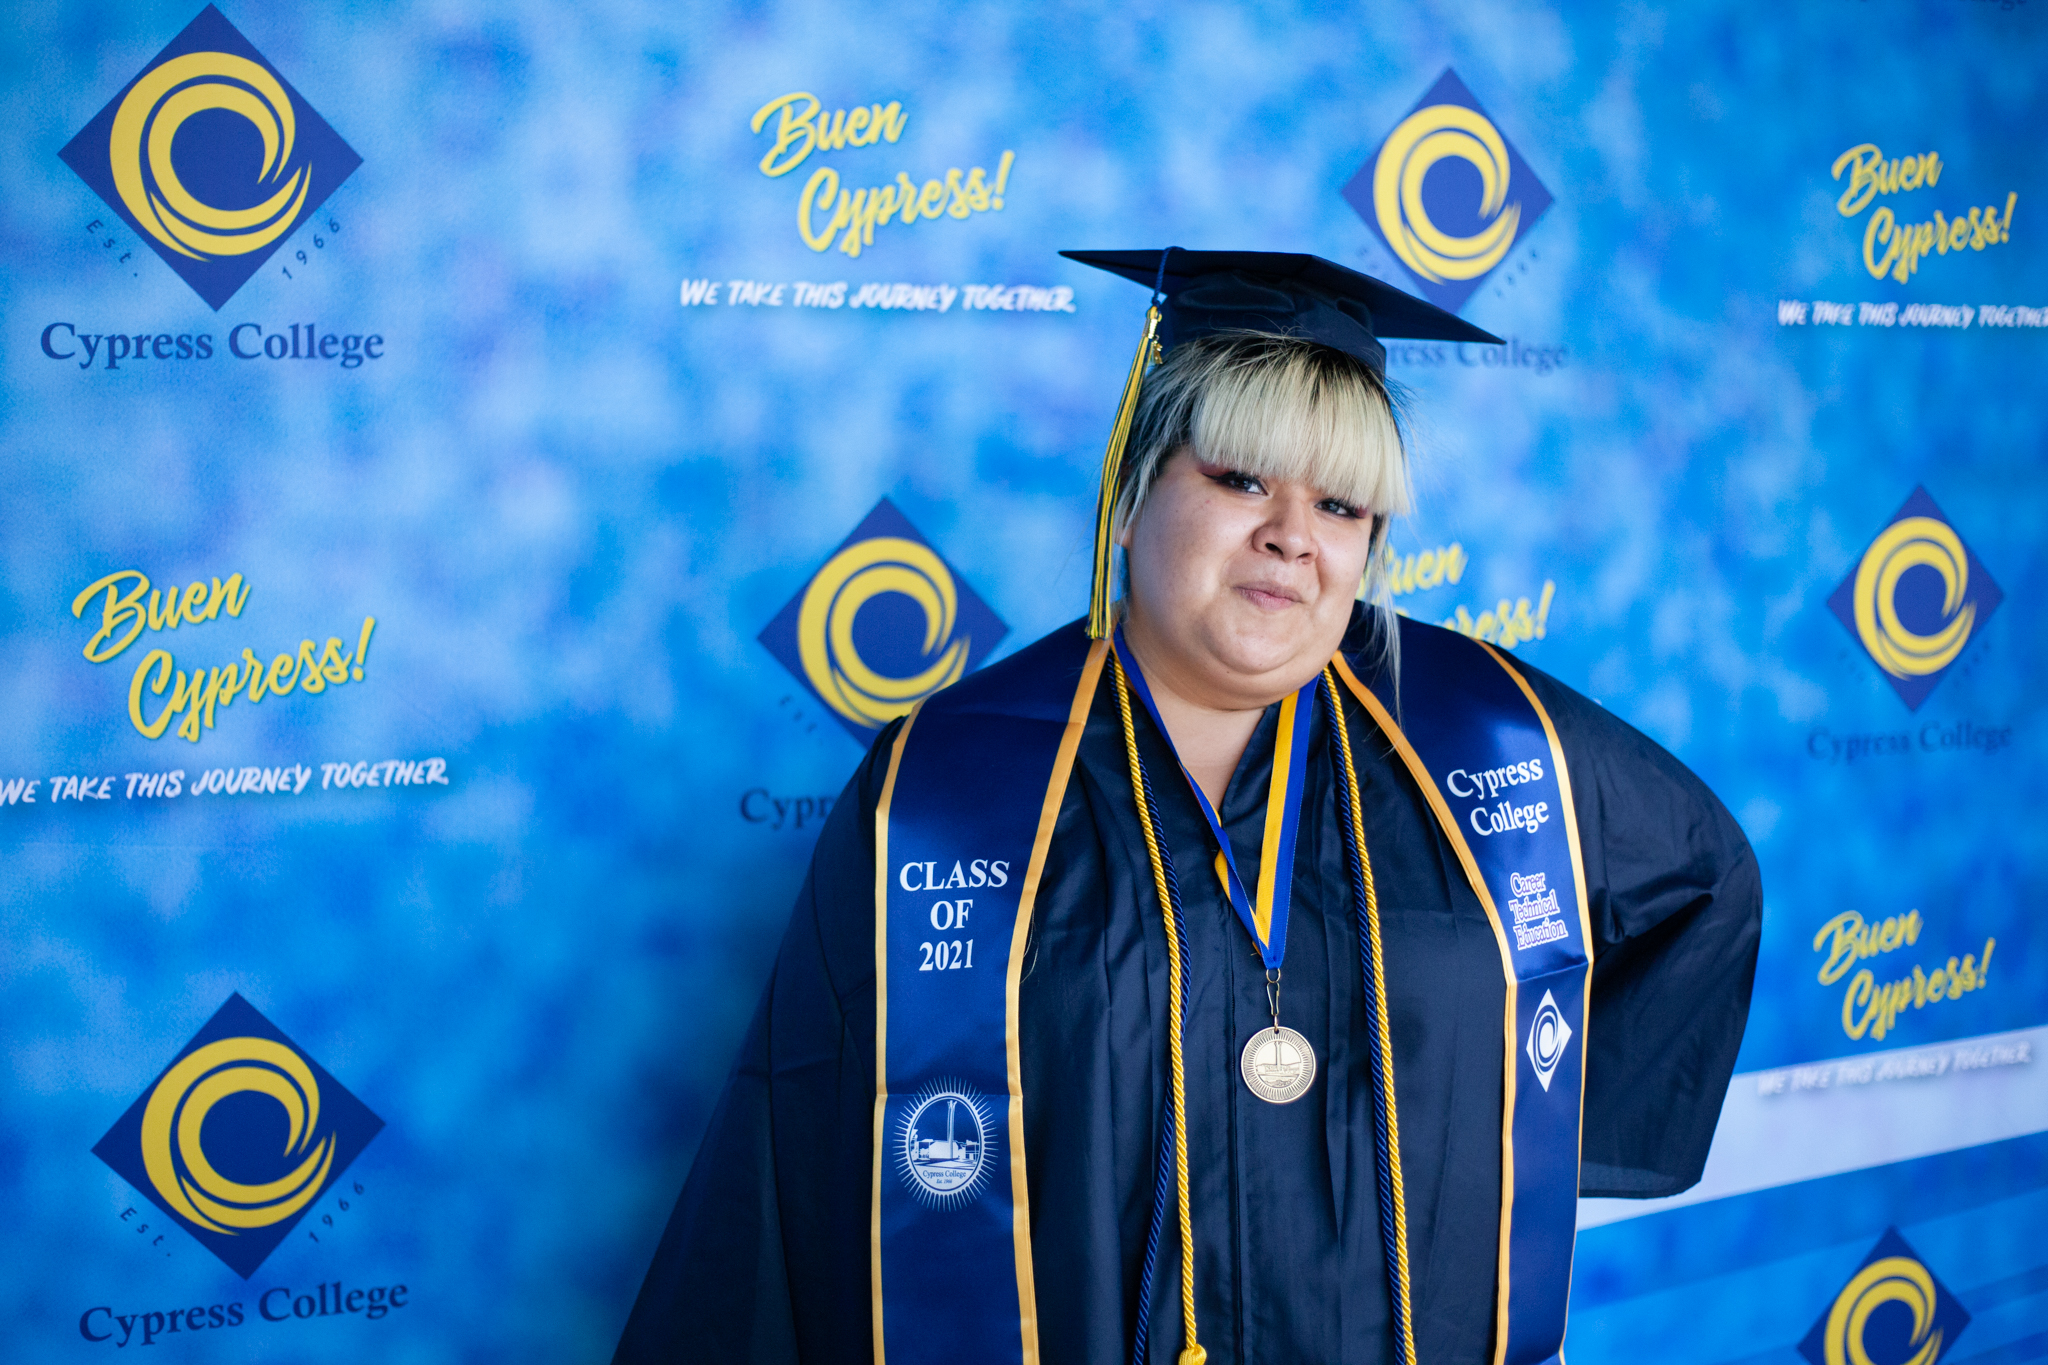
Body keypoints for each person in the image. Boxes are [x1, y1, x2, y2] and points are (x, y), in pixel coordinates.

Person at [616, 250, 1761, 1365]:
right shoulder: (941, 790)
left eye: (1343, 505)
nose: (1291, 537)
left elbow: (1703, 884)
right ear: (1132, 486)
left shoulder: (1488, 744)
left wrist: (1526, 1131)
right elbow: (794, 1154)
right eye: (1238, 478)